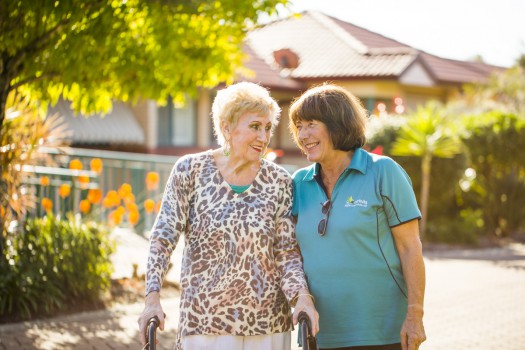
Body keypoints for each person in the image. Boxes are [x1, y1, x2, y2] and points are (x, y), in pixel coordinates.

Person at [138, 82, 318, 350]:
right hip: (204, 323)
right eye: (255, 126)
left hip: (267, 326)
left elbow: (286, 252)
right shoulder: (191, 170)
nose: (264, 136)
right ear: (226, 127)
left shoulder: (279, 181)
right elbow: (163, 237)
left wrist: (301, 297)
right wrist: (152, 298)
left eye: (268, 128)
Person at [289, 84, 426, 350]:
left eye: (311, 124)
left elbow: (410, 247)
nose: (302, 135)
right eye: (298, 126)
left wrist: (415, 315)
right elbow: (290, 254)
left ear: (337, 124)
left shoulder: (384, 172)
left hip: (381, 333)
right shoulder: (298, 183)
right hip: (320, 333)